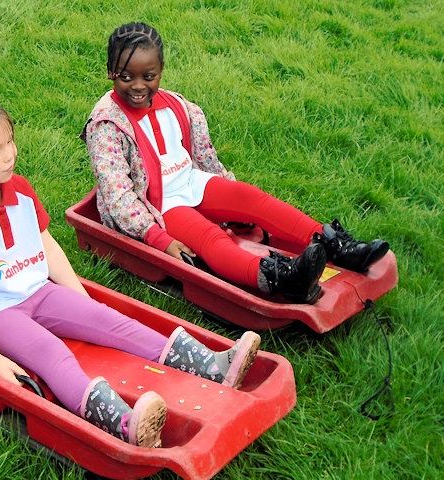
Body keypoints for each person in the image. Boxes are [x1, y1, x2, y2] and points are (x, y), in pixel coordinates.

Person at [0, 89, 261, 449]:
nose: (10, 155)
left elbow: (47, 246)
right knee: (51, 353)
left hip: (36, 291)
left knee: (110, 321)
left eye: (9, 141)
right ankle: (123, 423)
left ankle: (211, 365)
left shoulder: (18, 188)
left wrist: (84, 301)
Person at [81, 22, 390, 305]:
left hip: (189, 182)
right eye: (126, 76)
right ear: (110, 71)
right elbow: (118, 197)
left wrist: (233, 203)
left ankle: (334, 245)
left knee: (251, 198)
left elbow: (206, 158)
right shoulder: (107, 126)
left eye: (148, 76)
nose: (138, 86)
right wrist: (159, 239)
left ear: (161, 70)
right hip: (156, 206)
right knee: (209, 237)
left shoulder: (179, 106)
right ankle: (279, 277)